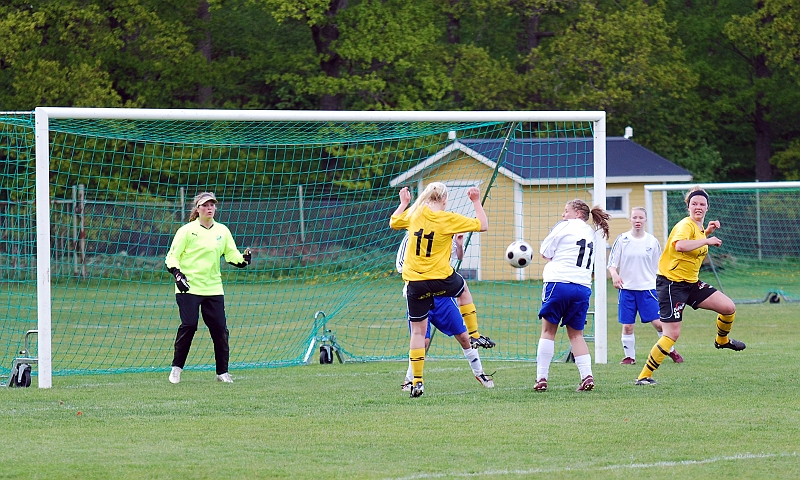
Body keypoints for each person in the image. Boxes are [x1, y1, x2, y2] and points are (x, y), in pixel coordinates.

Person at [636, 187, 745, 386]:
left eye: (702, 204)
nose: (698, 207)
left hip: (691, 283)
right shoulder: (685, 225)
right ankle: (644, 376)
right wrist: (708, 239)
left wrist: (707, 231)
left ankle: (722, 340)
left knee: (728, 307)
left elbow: (695, 241)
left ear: (707, 207)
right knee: (672, 334)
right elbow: (680, 245)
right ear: (688, 206)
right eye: (694, 203)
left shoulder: (698, 228)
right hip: (671, 284)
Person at [389, 182, 488, 398]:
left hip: (415, 282)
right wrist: (476, 201)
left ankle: (416, 382)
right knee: (463, 290)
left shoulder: (414, 213)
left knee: (417, 333)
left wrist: (404, 203)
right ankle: (476, 334)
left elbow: (394, 221)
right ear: (444, 199)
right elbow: (483, 224)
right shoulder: (447, 218)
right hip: (440, 279)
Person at [164, 192, 251, 384]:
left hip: (213, 288)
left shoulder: (222, 231)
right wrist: (178, 274)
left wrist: (242, 260)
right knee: (189, 325)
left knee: (220, 329)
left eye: (212, 205)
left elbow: (231, 254)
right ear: (197, 209)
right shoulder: (186, 231)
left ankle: (222, 372)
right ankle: (176, 369)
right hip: (189, 287)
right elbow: (172, 257)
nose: (209, 208)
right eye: (205, 205)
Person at [396, 233, 494, 391]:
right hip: (419, 295)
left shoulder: (444, 230)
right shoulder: (413, 233)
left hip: (442, 296)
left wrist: (459, 245)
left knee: (463, 336)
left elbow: (458, 256)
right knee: (423, 341)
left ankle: (479, 373)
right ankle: (410, 380)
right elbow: (400, 265)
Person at [534, 199, 610, 393]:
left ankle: (541, 378)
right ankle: (587, 376)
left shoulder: (565, 226)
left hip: (559, 282)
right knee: (576, 334)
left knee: (548, 331)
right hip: (582, 287)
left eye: (565, 210)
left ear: (577, 213)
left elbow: (545, 251)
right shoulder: (591, 233)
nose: (563, 215)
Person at [608, 207, 683, 365]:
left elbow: (659, 266)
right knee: (628, 326)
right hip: (627, 290)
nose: (637, 220)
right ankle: (630, 357)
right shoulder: (622, 239)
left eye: (641, 218)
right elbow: (612, 264)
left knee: (658, 324)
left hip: (648, 289)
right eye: (634, 217)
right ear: (630, 219)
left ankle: (671, 350)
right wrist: (615, 275)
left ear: (645, 220)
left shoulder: (652, 241)